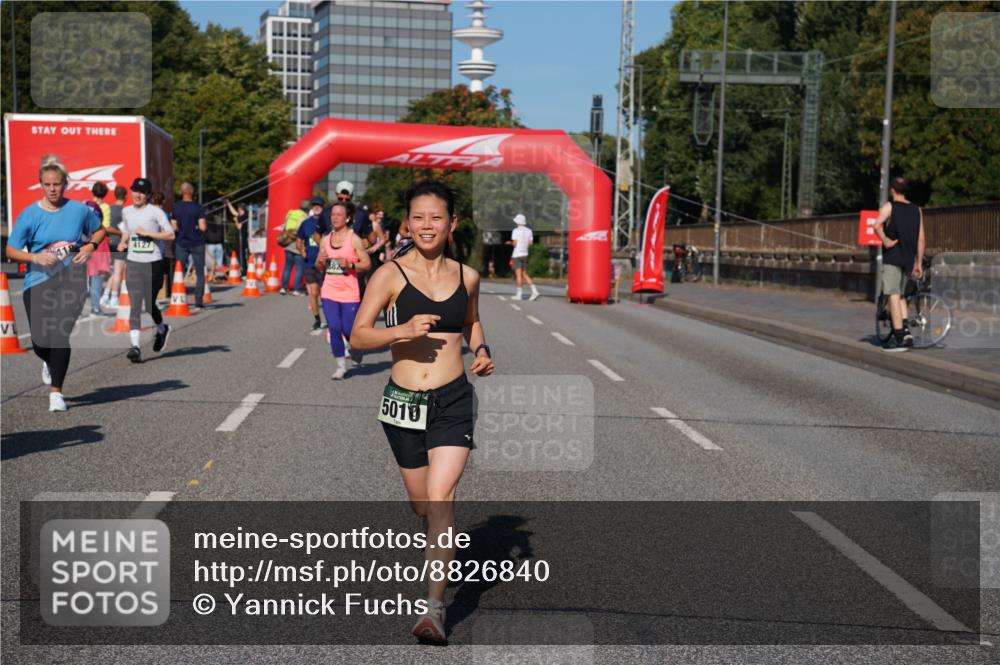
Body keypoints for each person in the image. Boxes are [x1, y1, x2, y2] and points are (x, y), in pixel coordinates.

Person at [350, 180, 494, 644]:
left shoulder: (467, 276)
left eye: (436, 217)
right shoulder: (389, 275)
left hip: (453, 399)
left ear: (451, 223)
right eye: (418, 217)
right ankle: (438, 545)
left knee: (439, 498)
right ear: (407, 224)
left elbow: (470, 320)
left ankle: (433, 611)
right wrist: (402, 331)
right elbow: (358, 336)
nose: (427, 225)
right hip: (404, 404)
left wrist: (482, 348)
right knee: (421, 503)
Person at [6, 155, 107, 412]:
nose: (53, 189)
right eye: (48, 184)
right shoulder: (30, 215)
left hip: (71, 280)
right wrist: (34, 256)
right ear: (41, 184)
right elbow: (10, 250)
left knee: (60, 335)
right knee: (41, 341)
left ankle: (56, 393)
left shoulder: (79, 210)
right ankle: (49, 362)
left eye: (57, 184)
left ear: (66, 184)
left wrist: (90, 246)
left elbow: (100, 230)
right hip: (37, 281)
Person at [118, 178, 175, 363]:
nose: (138, 195)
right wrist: (123, 241)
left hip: (153, 262)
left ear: (148, 195)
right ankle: (135, 347)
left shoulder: (156, 212)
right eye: (135, 190)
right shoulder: (126, 211)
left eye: (142, 192)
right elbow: (127, 230)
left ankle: (161, 328)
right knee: (135, 304)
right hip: (134, 262)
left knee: (149, 304)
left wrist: (149, 234)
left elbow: (170, 234)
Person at [315, 202, 371, 379]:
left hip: (349, 291)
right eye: (333, 214)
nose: (335, 217)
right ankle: (340, 366)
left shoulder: (353, 239)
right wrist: (321, 261)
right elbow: (318, 266)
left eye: (339, 214)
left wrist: (350, 264)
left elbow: (367, 264)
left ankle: (356, 348)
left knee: (349, 330)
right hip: (329, 290)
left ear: (347, 218)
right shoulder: (325, 239)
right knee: (334, 327)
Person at [873, 176, 925, 352]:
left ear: (892, 190)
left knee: (893, 294)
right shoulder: (917, 210)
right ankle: (907, 333)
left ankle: (898, 336)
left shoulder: (890, 206)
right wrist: (918, 263)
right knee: (902, 295)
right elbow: (921, 239)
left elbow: (876, 224)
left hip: (893, 257)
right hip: (909, 260)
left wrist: (886, 241)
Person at [171, 182, 208, 309]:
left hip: (181, 242)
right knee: (199, 272)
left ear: (181, 192)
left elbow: (173, 226)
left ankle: (178, 296)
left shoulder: (176, 208)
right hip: (197, 242)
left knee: (179, 271)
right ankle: (198, 300)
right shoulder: (198, 208)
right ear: (192, 192)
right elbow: (203, 227)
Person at [297, 197, 326, 330]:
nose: (316, 207)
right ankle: (317, 319)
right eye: (314, 205)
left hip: (325, 263)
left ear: (323, 207)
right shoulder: (306, 223)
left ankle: (331, 318)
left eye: (319, 205)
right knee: (313, 292)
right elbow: (299, 241)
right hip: (309, 263)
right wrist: (302, 250)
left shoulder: (328, 223)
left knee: (325, 294)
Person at [85, 183, 113, 314]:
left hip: (85, 241)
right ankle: (95, 307)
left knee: (83, 275)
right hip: (99, 242)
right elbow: (105, 227)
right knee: (96, 276)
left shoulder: (85, 204)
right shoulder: (105, 207)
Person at [100, 186, 127, 308]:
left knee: (115, 272)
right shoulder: (124, 211)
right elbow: (126, 230)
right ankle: (114, 298)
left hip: (108, 243)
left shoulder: (109, 209)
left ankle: (105, 296)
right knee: (118, 272)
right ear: (125, 197)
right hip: (119, 244)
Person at [506, 213, 540, 301]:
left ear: (517, 222)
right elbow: (530, 243)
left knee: (518, 275)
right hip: (525, 254)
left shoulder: (515, 231)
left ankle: (519, 294)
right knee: (524, 274)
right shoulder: (529, 231)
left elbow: (515, 243)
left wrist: (509, 243)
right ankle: (534, 290)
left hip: (517, 254)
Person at [281, 199, 309, 295]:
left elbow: (284, 226)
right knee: (299, 268)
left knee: (287, 267)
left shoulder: (291, 213)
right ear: (308, 208)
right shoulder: (305, 217)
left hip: (288, 242)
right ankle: (297, 289)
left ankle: (284, 288)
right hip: (298, 243)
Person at [204, 212, 226, 284]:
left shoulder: (207, 226)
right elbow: (222, 235)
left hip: (210, 245)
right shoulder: (218, 226)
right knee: (219, 262)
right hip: (219, 245)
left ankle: (211, 276)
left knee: (211, 263)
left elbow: (205, 235)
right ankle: (219, 277)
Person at [229, 201, 250, 273]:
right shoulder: (241, 215)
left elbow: (239, 227)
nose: (238, 210)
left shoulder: (244, 217)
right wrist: (228, 204)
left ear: (241, 209)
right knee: (240, 253)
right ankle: (243, 269)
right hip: (239, 238)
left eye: (238, 208)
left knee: (241, 254)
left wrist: (235, 221)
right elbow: (234, 213)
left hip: (242, 238)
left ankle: (244, 270)